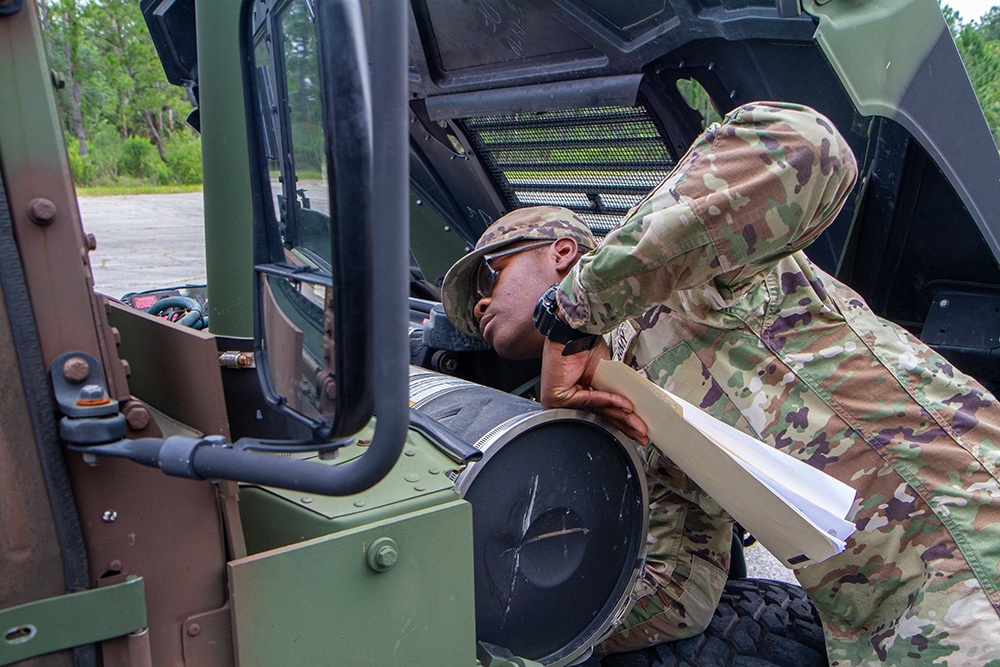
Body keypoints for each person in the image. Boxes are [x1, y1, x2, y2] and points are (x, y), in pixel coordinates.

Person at [440, 101, 1000, 666]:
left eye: (490, 273)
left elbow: (808, 144)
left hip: (975, 551)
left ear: (562, 253)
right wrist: (512, 633)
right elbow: (680, 587)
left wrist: (575, 307)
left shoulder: (686, 265)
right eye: (472, 309)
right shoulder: (618, 388)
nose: (482, 302)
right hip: (889, 633)